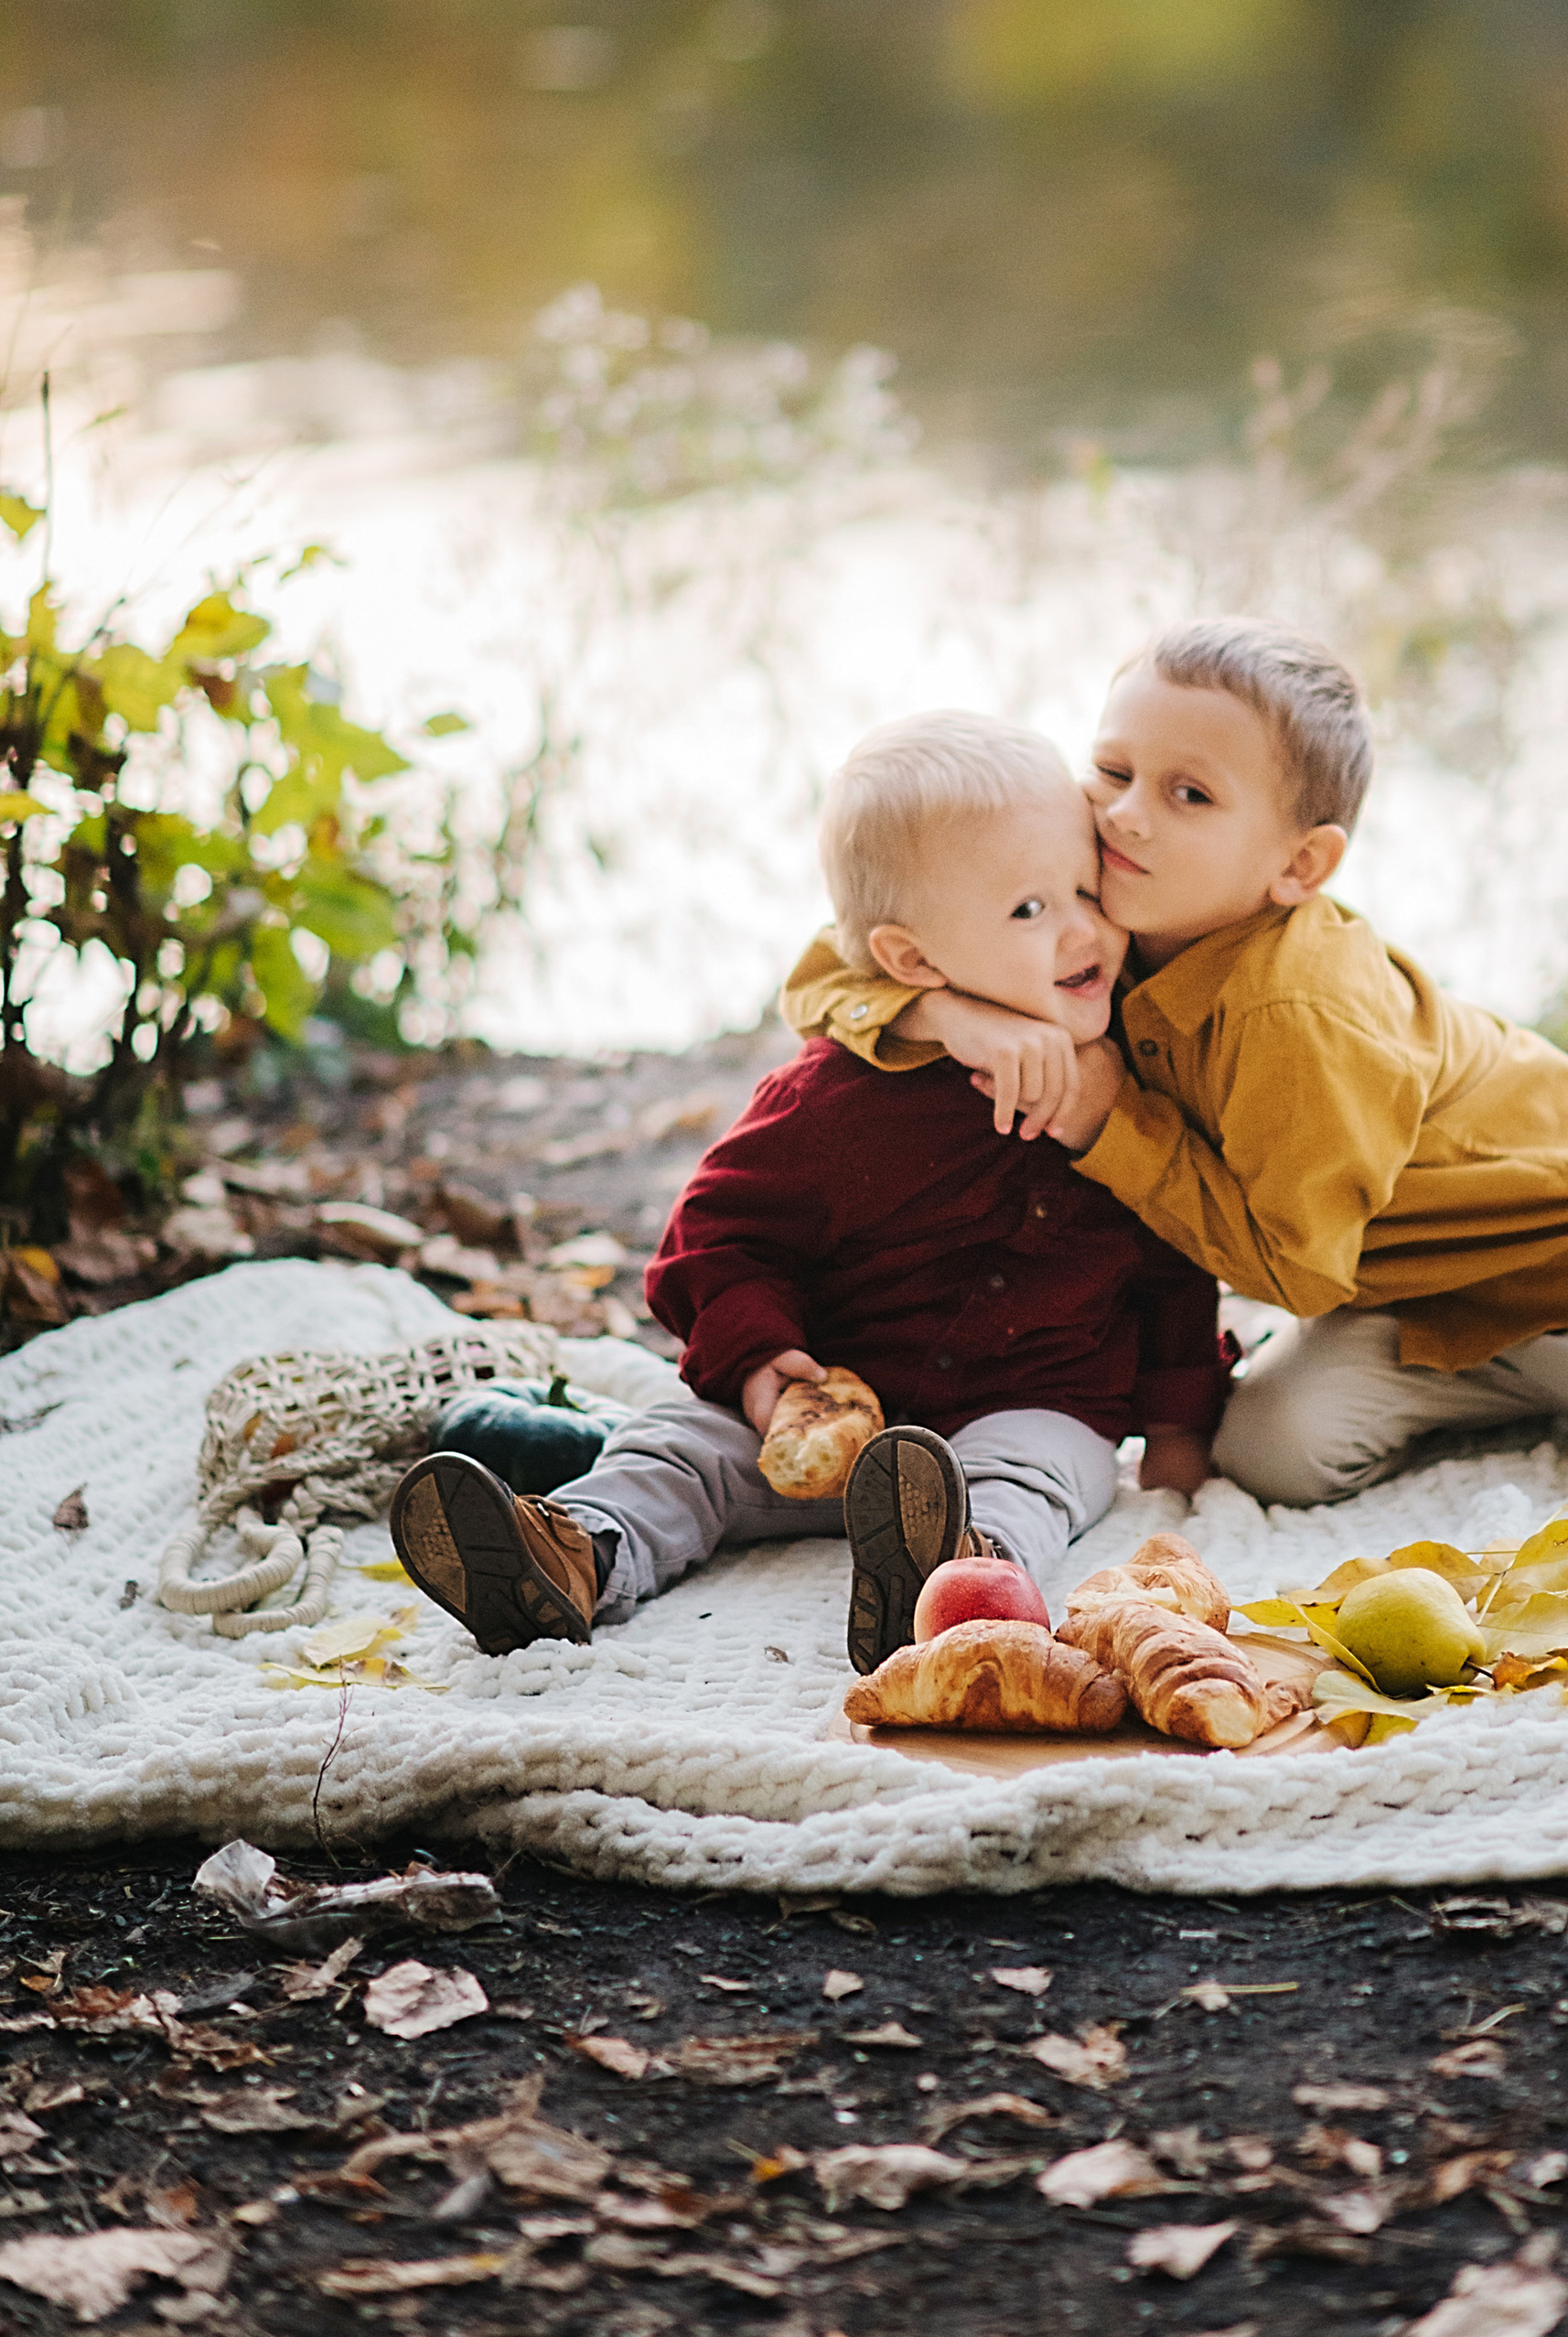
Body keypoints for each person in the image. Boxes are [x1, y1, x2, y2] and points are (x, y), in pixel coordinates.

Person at [787, 621, 1568, 1514]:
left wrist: (1110, 1117)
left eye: (1189, 795)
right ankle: (1525, 1392)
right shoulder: (1094, 924)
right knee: (1272, 1453)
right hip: (1403, 1283)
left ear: (1298, 865)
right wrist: (947, 1014)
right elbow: (820, 975)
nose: (1123, 813)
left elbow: (1294, 1278)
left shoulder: (1298, 1008)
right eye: (1113, 770)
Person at [389, 715, 1225, 1667]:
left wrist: (1175, 1429)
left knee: (1029, 1475)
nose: (1083, 928)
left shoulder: (1134, 1070)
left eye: (1086, 886)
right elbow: (713, 1237)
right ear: (912, 963)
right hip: (830, 1394)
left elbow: (1172, 1251)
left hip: (1034, 1397)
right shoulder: (835, 1099)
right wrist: (759, 1361)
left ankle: (951, 1576)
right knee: (679, 1449)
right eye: (1030, 911)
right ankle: (570, 1553)